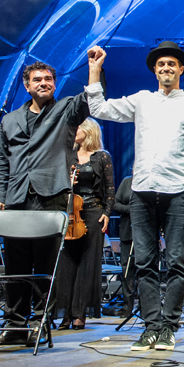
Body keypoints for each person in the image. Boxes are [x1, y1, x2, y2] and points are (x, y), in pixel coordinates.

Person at [86, 42, 184, 351]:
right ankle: (151, 326)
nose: (166, 68)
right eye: (161, 64)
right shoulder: (141, 100)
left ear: (181, 69)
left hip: (177, 191)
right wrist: (95, 70)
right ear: (154, 70)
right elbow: (99, 109)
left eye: (172, 64)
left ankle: (169, 326)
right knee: (144, 262)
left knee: (178, 261)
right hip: (141, 192)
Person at [0, 61, 90, 346]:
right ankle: (14, 325)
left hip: (50, 195)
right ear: (26, 85)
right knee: (16, 266)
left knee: (44, 265)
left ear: (55, 83)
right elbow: (1, 164)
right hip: (16, 197)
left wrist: (94, 68)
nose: (43, 83)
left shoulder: (66, 109)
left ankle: (38, 322)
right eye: (37, 79)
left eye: (48, 79)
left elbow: (90, 99)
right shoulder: (9, 120)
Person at [55, 118, 113, 330]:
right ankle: (66, 314)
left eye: (77, 127)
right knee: (67, 264)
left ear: (88, 132)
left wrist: (107, 213)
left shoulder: (102, 157)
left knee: (88, 264)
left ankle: (80, 313)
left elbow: (110, 189)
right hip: (69, 214)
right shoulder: (68, 156)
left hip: (92, 213)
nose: (73, 130)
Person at [112, 175, 136, 319]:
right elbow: (115, 204)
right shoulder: (127, 181)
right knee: (127, 270)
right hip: (127, 233)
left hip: (146, 234)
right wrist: (132, 210)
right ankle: (127, 307)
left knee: (145, 271)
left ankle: (147, 308)